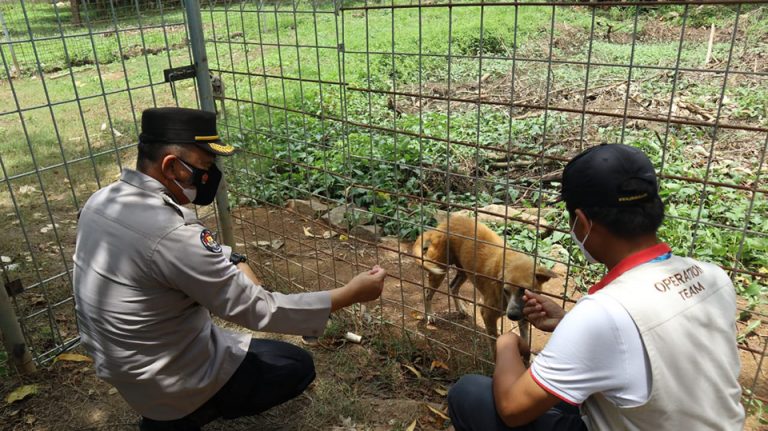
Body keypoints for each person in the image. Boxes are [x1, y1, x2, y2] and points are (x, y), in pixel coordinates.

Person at [72, 107, 387, 431]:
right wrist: (350, 294)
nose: (210, 177)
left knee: (246, 348)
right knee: (296, 364)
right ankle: (190, 411)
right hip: (169, 383)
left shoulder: (101, 202)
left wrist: (232, 259)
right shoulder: (171, 234)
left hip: (127, 371)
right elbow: (257, 310)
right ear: (171, 166)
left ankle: (174, 407)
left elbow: (179, 256)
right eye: (204, 167)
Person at [447, 143, 745, 430]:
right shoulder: (713, 276)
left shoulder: (604, 313)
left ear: (582, 223)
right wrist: (567, 322)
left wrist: (507, 344)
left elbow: (513, 410)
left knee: (469, 393)